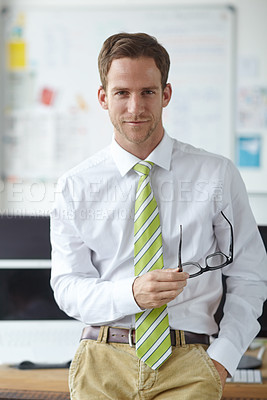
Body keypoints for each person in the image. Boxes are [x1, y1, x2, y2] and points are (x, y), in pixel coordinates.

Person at [50, 32, 267, 399]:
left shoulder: (216, 174)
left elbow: (249, 275)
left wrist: (224, 359)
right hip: (102, 361)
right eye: (122, 93)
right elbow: (68, 287)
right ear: (103, 98)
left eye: (147, 92)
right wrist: (131, 293)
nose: (135, 107)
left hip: (189, 360)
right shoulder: (75, 185)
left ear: (166, 94)